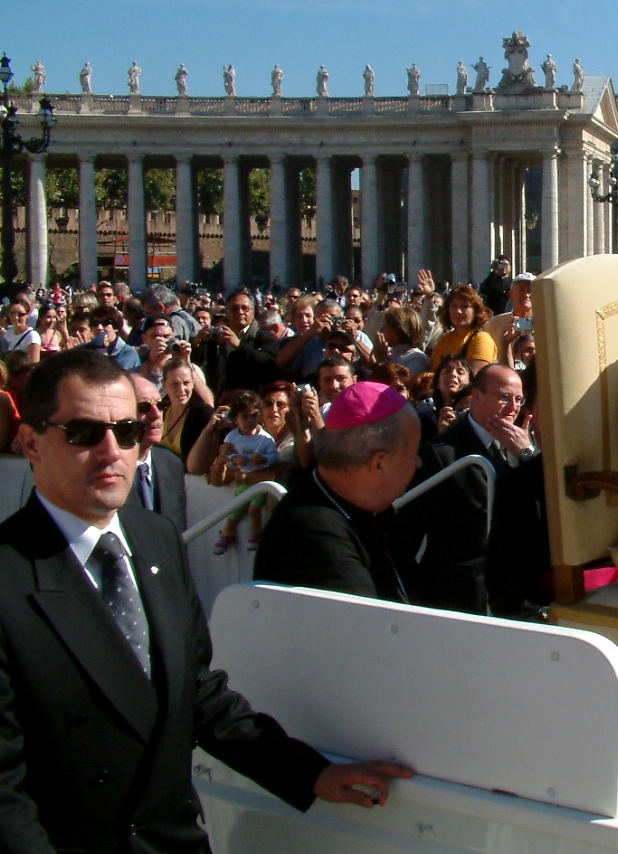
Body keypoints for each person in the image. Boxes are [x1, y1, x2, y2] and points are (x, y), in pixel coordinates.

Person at [0, 350, 412, 853]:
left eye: (127, 432)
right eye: (84, 433)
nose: (112, 451)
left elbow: (195, 692)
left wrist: (308, 773)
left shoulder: (155, 539)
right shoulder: (10, 575)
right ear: (31, 443)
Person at [254, 382, 423, 602]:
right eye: (412, 453)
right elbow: (367, 619)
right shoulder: (312, 534)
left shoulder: (373, 508)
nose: (418, 462)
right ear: (379, 464)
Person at [400, 364, 538, 613]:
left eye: (519, 400)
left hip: (515, 593)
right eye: (505, 397)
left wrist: (529, 455)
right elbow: (406, 532)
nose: (513, 407)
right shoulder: (442, 453)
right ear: (476, 396)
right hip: (460, 598)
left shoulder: (523, 448)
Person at [212, 390, 280, 555]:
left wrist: (263, 459)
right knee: (236, 508)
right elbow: (226, 455)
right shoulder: (232, 437)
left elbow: (274, 458)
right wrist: (235, 458)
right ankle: (227, 534)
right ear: (235, 418)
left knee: (253, 509)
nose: (250, 420)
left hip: (261, 483)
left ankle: (255, 533)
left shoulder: (265, 439)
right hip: (244, 481)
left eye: (254, 416)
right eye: (245, 416)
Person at [192, 288, 279, 395]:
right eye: (234, 308)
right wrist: (196, 342)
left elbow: (268, 364)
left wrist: (239, 345)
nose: (240, 312)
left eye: (245, 308)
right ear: (226, 312)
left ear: (253, 312)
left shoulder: (264, 337)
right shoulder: (217, 336)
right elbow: (196, 364)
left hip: (249, 398)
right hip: (218, 398)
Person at [126, 373, 187, 521]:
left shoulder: (172, 464)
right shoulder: (107, 470)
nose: (156, 414)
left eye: (160, 405)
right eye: (144, 408)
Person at [431, 285, 497, 374]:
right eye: (453, 306)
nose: (458, 311)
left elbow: (476, 377)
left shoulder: (481, 339)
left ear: (475, 311)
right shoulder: (444, 340)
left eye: (464, 306)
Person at [158, 356, 214, 462]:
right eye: (174, 384)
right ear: (163, 384)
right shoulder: (159, 409)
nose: (181, 389)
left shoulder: (202, 415)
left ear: (193, 383)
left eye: (186, 383)